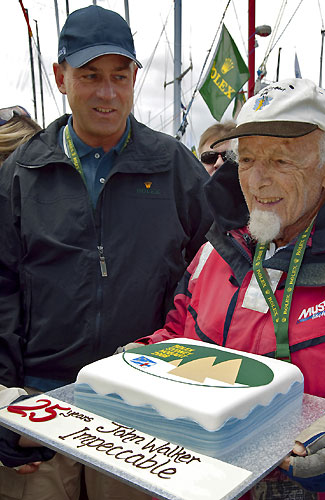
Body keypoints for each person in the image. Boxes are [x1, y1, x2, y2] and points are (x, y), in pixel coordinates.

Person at [0, 5, 212, 500]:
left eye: (120, 75)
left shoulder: (176, 168)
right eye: (90, 75)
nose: (107, 92)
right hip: (39, 405)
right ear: (60, 76)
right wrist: (4, 399)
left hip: (144, 412)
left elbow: (213, 276)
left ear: (136, 77)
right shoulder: (18, 174)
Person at [134, 78, 325, 499]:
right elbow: (179, 335)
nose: (258, 181)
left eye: (282, 162)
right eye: (247, 160)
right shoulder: (218, 247)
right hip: (201, 479)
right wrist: (140, 360)